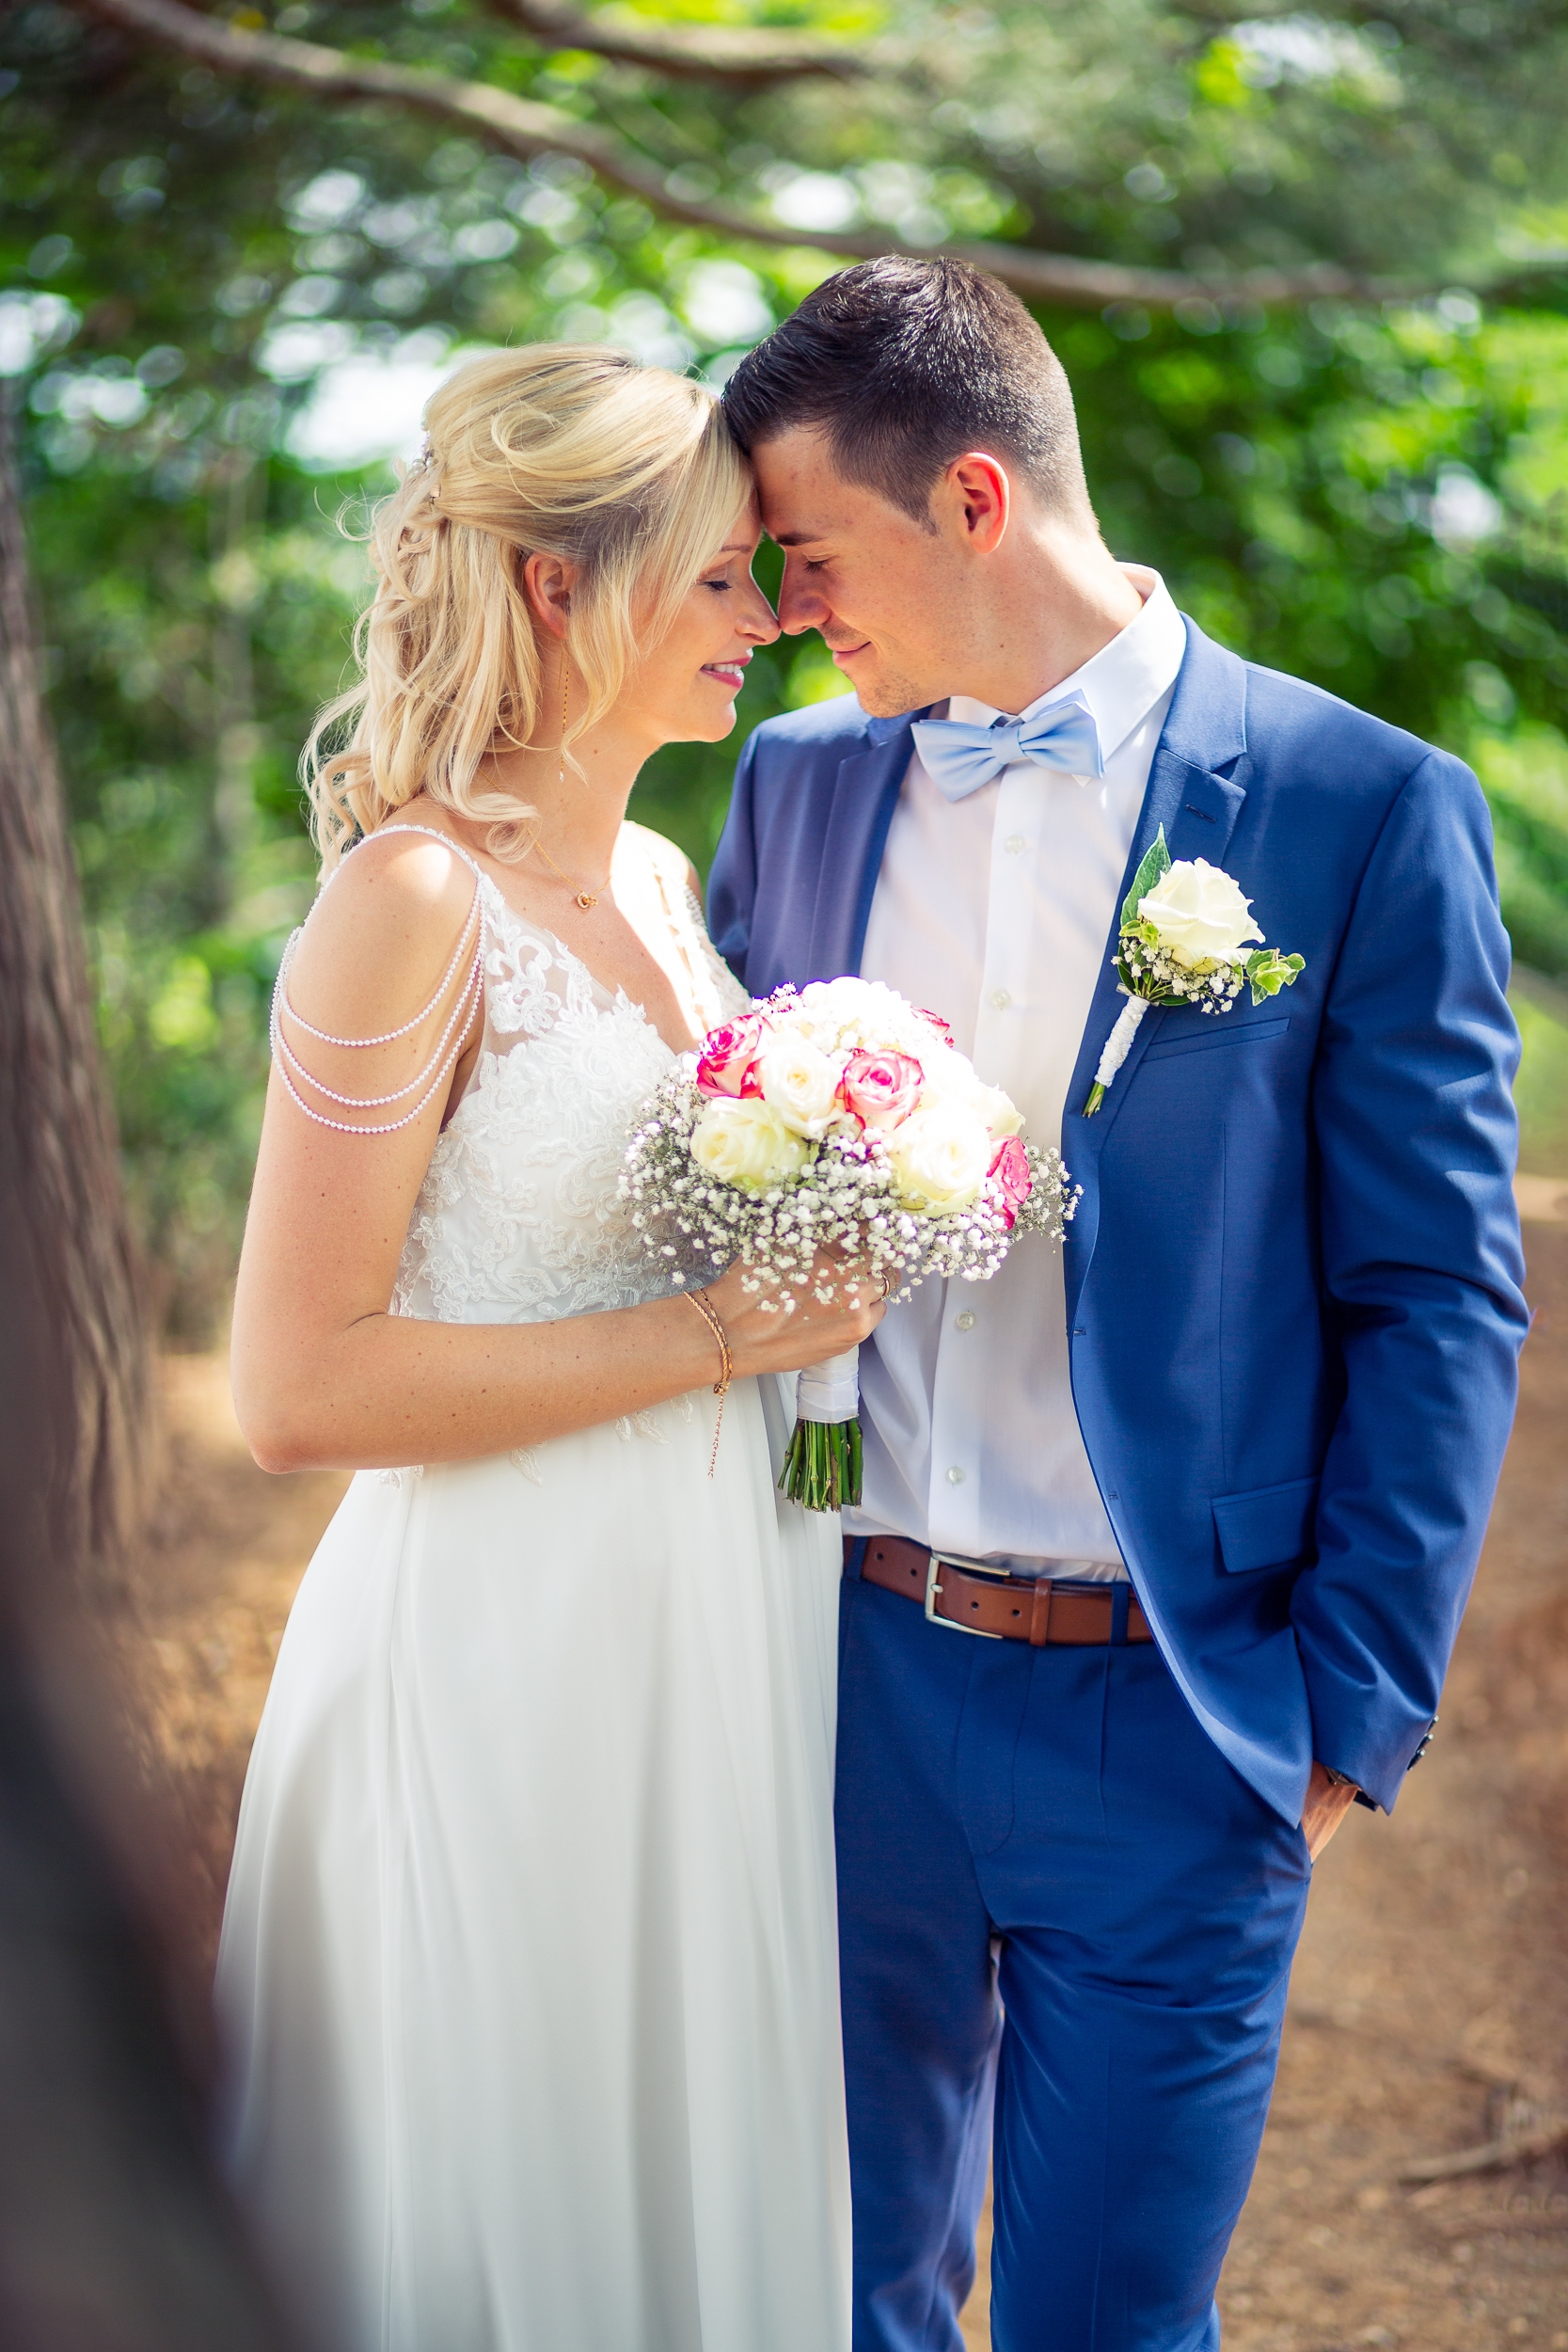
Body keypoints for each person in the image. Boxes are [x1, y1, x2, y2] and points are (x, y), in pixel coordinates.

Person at [711, 257, 1528, 2352]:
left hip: (1179, 1713)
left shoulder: (1361, 808)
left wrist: (1346, 1705)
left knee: (1106, 2320)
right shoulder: (794, 784)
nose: (790, 605)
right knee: (832, 2297)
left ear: (973, 501)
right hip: (838, 1674)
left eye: (809, 551)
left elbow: (1437, 1287)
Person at [216, 347, 879, 2352]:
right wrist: (707, 1330)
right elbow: (293, 1385)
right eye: (712, 580)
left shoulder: (672, 892)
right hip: (504, 1650)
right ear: (553, 591)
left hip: (715, 1628)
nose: (761, 626)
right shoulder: (412, 898)